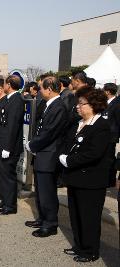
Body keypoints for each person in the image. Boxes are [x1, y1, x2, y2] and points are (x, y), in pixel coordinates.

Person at [59, 87, 113, 262]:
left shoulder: (101, 125)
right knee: (75, 214)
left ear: (94, 105)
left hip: (91, 180)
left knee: (89, 216)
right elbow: (70, 144)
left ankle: (90, 251)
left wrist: (70, 161)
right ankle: (79, 245)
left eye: (81, 104)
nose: (78, 107)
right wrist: (64, 156)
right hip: (75, 177)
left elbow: (93, 153)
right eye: (78, 104)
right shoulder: (79, 123)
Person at [25, 76, 68, 237]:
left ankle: (50, 224)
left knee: (47, 193)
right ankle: (42, 218)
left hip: (49, 156)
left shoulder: (58, 107)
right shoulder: (50, 105)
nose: (40, 91)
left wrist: (32, 145)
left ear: (49, 89)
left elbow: (49, 133)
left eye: (42, 88)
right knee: (41, 191)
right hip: (42, 154)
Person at [0, 75, 24, 215]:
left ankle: (10, 206)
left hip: (8, 147)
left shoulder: (16, 100)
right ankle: (5, 201)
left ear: (9, 85)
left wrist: (8, 147)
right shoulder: (10, 99)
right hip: (2, 144)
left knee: (8, 177)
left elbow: (12, 126)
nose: (4, 86)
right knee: (3, 176)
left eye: (5, 83)